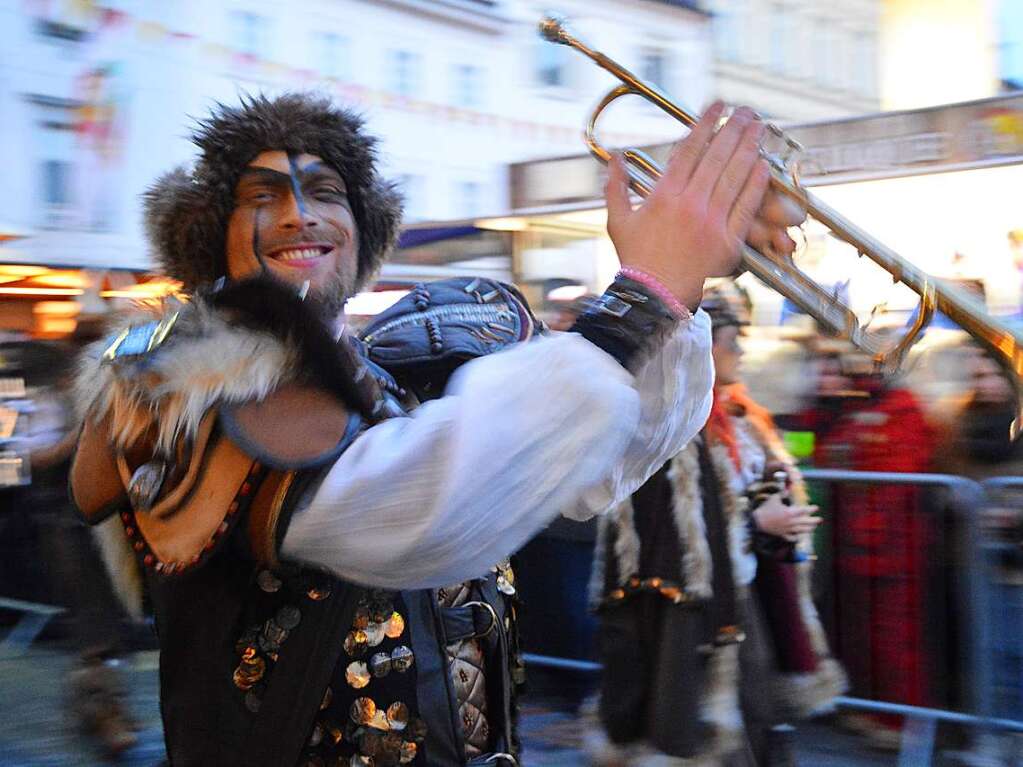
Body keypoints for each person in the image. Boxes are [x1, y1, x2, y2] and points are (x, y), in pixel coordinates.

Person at [68, 93, 803, 766]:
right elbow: (419, 514)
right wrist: (642, 300)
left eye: (327, 192)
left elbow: (597, 471)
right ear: (207, 232)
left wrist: (680, 294)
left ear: (364, 226)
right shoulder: (169, 383)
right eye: (263, 198)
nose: (300, 215)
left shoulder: (391, 368)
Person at [586, 293, 845, 766]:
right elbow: (668, 528)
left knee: (755, 713)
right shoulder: (664, 427)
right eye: (731, 341)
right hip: (690, 608)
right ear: (703, 351)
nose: (741, 352)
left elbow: (753, 486)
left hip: (744, 588)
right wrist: (756, 518)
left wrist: (774, 504)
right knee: (703, 725)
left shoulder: (743, 418)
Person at [800, 345, 937, 749]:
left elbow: (893, 476)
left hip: (893, 552)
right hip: (858, 548)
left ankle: (899, 722)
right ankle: (872, 708)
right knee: (864, 639)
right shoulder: (856, 411)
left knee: (896, 641)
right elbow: (829, 455)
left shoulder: (903, 410)